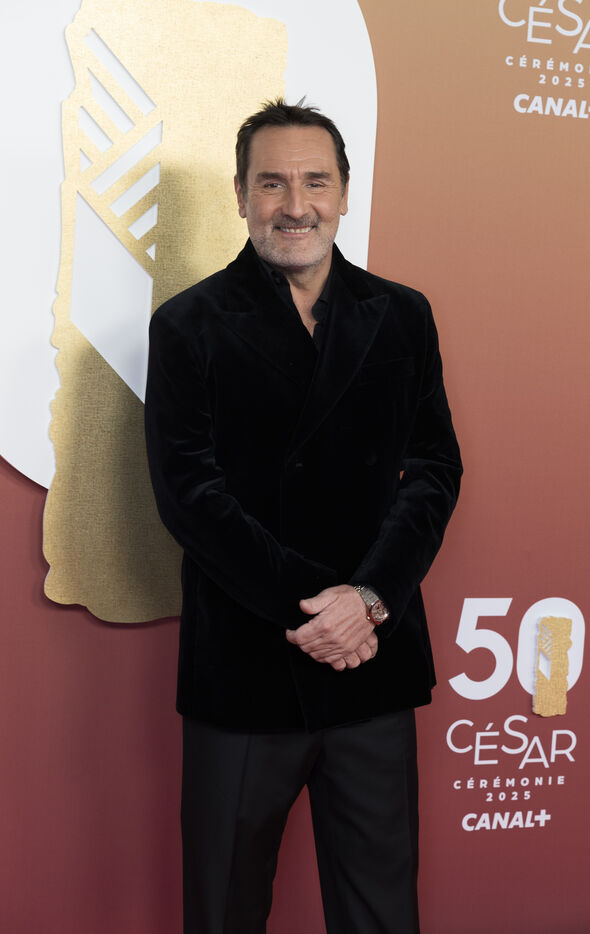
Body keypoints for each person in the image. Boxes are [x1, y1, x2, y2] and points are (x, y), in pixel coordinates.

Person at [145, 98, 462, 934]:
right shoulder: (187, 326)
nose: (295, 205)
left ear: (344, 193)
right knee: (224, 910)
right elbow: (190, 496)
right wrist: (323, 611)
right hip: (246, 670)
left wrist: (370, 601)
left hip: (373, 666)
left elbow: (433, 470)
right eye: (272, 183)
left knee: (381, 912)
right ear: (240, 195)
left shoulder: (402, 314)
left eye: (315, 182)